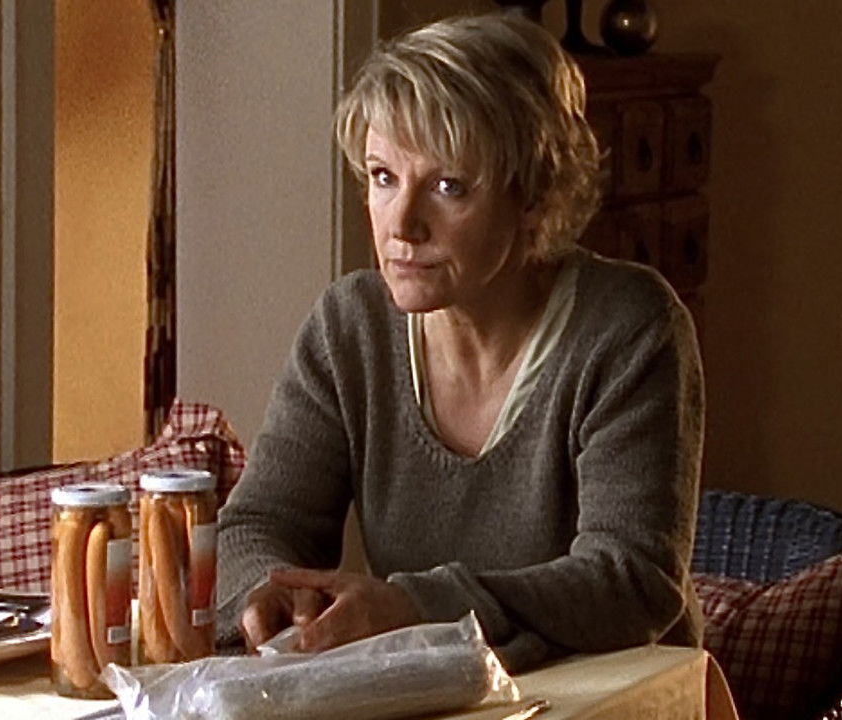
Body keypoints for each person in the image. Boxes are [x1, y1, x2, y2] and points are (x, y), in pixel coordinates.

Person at [216, 12, 704, 672]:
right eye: (383, 177)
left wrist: (415, 606)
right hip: (436, 696)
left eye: (448, 186)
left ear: (535, 193)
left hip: (616, 701)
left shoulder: (626, 327)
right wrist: (270, 595)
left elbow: (633, 581)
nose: (402, 225)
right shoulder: (349, 328)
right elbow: (259, 523)